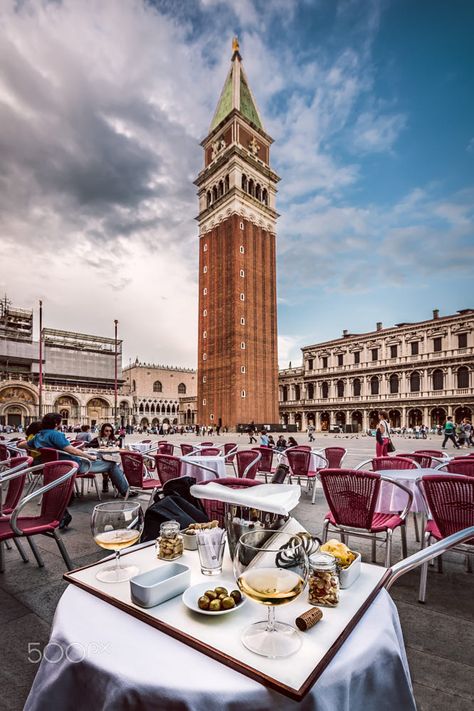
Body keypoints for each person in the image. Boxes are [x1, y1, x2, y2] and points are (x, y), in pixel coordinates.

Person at [23, 413, 134, 498]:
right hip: (75, 465)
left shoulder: (39, 436)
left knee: (106, 462)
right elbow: (72, 451)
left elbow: (21, 445)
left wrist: (38, 447)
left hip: (55, 466)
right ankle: (125, 491)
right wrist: (90, 457)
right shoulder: (56, 435)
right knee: (111, 464)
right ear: (56, 424)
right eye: (60, 422)